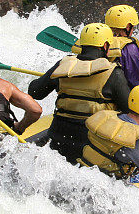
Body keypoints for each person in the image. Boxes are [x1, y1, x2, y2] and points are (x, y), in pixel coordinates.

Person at [28, 23, 131, 163]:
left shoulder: (63, 66)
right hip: (92, 145)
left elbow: (34, 92)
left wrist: (53, 77)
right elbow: (129, 110)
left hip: (58, 138)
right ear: (106, 46)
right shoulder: (114, 73)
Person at [104, 4, 139, 87]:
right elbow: (137, 81)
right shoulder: (129, 48)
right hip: (121, 95)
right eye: (132, 27)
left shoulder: (100, 41)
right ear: (128, 27)